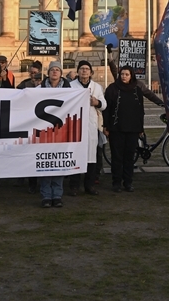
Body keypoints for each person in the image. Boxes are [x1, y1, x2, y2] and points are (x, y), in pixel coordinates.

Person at [104, 65, 145, 194]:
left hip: (132, 128)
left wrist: (140, 127)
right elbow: (107, 109)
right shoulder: (112, 89)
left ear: (131, 75)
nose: (124, 77)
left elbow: (140, 110)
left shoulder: (137, 90)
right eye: (122, 74)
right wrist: (106, 126)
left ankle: (128, 182)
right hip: (116, 128)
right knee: (117, 157)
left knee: (129, 157)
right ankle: (116, 182)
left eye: (127, 74)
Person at [68, 60, 106, 197]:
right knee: (75, 155)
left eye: (87, 69)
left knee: (91, 156)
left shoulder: (96, 87)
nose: (84, 71)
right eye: (82, 68)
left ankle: (89, 185)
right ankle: (74, 186)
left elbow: (104, 105)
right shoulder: (71, 86)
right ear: (77, 71)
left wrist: (97, 102)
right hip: (75, 124)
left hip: (90, 125)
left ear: (91, 72)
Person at [36, 61, 70, 206]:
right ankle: (46, 196)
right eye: (52, 70)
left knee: (58, 162)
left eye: (57, 70)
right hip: (44, 130)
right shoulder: (39, 88)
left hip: (62, 130)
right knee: (45, 162)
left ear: (61, 73)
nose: (54, 72)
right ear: (48, 73)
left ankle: (57, 195)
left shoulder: (71, 89)